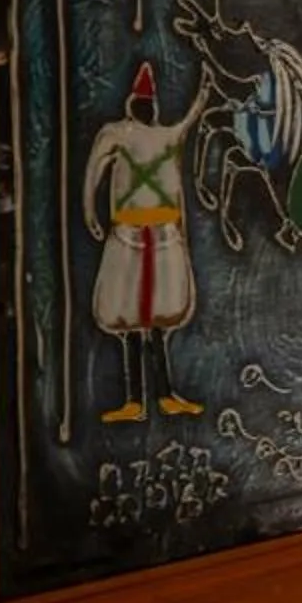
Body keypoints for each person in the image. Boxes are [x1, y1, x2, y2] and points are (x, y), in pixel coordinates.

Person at [82, 58, 214, 422]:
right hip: (148, 236)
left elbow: (93, 175)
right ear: (151, 107)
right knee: (144, 322)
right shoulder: (150, 135)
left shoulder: (119, 134)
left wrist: (91, 213)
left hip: (146, 237)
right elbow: (191, 118)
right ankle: (144, 398)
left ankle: (150, 397)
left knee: (144, 323)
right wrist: (203, 87)